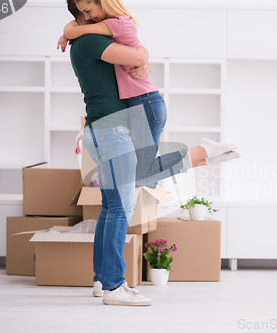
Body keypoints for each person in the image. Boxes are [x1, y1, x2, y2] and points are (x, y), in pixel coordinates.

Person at [62, 1, 240, 306]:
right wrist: (144, 60)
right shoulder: (92, 39)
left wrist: (142, 63)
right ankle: (114, 287)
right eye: (84, 11)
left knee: (111, 207)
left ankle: (103, 280)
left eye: (90, 8)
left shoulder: (86, 37)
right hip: (112, 129)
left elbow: (136, 60)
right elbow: (139, 55)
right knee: (122, 207)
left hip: (103, 128)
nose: (89, 14)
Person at [59, 0, 240, 188]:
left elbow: (140, 55)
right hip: (141, 103)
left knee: (139, 175)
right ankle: (202, 157)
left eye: (89, 11)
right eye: (84, 14)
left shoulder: (116, 24)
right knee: (140, 174)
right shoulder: (110, 27)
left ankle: (203, 152)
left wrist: (69, 32)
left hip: (145, 103)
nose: (89, 18)